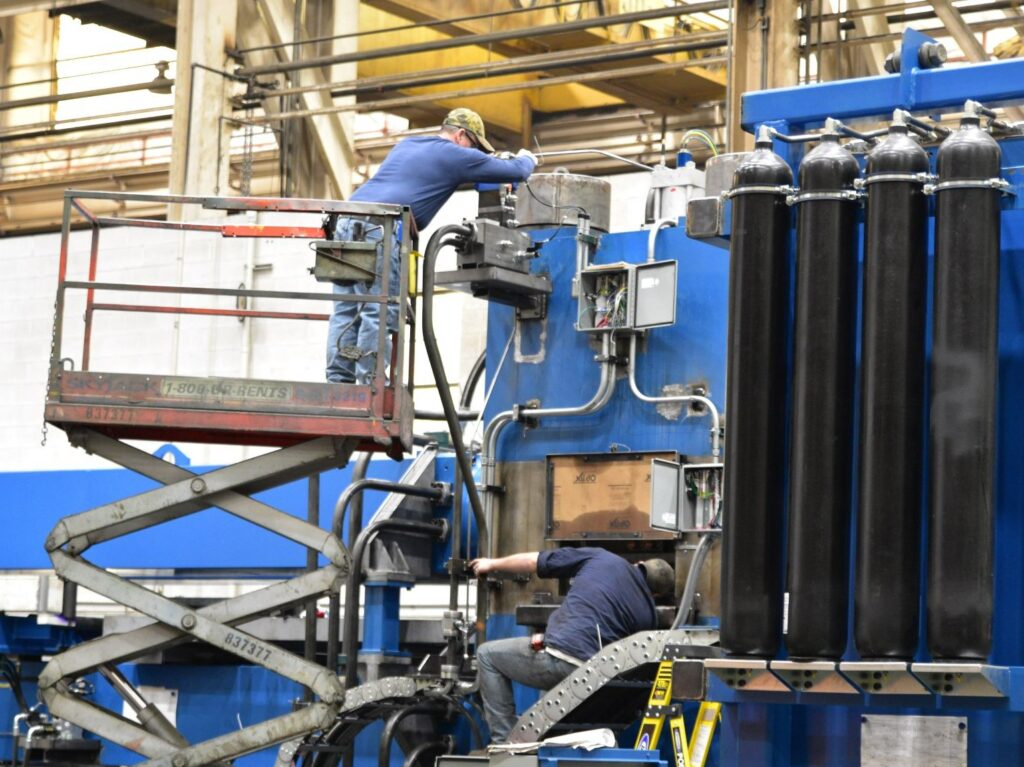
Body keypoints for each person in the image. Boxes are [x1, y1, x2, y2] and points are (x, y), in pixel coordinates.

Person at [326, 107, 538, 384]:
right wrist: (527, 158)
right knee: (379, 308)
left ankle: (338, 382)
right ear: (462, 135)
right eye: (475, 147)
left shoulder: (409, 145)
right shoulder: (454, 154)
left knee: (348, 308)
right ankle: (371, 386)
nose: (475, 155)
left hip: (344, 223)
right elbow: (516, 171)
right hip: (379, 228)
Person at [469, 547, 675, 744]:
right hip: (593, 678)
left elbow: (534, 561)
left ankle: (504, 743)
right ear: (655, 595)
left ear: (638, 564)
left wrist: (491, 564)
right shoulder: (648, 615)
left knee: (486, 654)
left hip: (559, 657)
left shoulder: (601, 558)